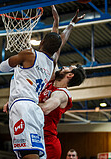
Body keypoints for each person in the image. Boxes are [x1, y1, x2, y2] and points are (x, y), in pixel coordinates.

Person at [0, 5, 63, 159]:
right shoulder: (51, 64)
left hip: (22, 106)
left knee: (28, 154)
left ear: (41, 42)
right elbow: (56, 42)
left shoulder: (29, 54)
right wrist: (57, 22)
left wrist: (16, 63)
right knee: (36, 154)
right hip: (34, 109)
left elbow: (2, 67)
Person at [37, 8, 86, 159]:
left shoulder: (62, 95)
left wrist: (20, 102)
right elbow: (55, 47)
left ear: (70, 75)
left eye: (67, 68)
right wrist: (64, 23)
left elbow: (44, 109)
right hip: (36, 137)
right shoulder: (52, 78)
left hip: (49, 144)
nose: (63, 67)